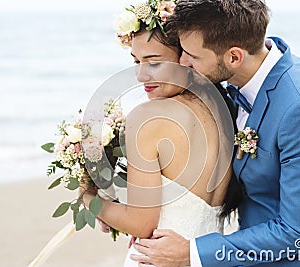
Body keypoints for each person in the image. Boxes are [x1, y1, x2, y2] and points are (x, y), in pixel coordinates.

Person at [130, 0, 300, 266]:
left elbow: (296, 233)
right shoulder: (237, 82)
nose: (182, 62)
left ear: (234, 57)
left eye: (192, 56)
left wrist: (191, 253)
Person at [80, 1, 241, 266]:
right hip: (204, 256)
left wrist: (89, 198)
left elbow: (141, 224)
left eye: (154, 63)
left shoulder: (148, 119)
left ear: (186, 59)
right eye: (136, 61)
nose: (142, 75)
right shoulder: (225, 110)